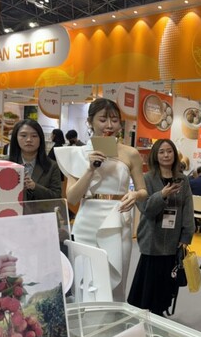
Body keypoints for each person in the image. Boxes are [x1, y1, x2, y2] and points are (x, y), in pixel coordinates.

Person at [54, 98, 148, 301]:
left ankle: (113, 325)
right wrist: (90, 168)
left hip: (117, 219)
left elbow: (143, 190)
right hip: (87, 221)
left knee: (115, 278)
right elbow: (72, 197)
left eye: (114, 120)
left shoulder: (130, 153)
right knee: (85, 281)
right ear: (90, 122)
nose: (109, 125)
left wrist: (134, 194)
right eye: (103, 119)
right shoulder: (79, 153)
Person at [127, 139, 195, 315]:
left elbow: (187, 209)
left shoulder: (182, 180)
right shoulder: (147, 179)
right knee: (147, 287)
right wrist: (162, 195)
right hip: (152, 241)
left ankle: (160, 312)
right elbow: (146, 209)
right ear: (156, 156)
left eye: (169, 151)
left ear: (175, 154)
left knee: (166, 285)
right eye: (162, 152)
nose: (166, 155)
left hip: (173, 242)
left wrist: (186, 236)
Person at [8, 119, 62, 201]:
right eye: (23, 135)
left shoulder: (52, 166)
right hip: (12, 212)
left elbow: (57, 196)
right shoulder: (5, 164)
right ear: (16, 138)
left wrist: (34, 186)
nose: (29, 139)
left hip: (41, 213)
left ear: (40, 139)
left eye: (34, 136)